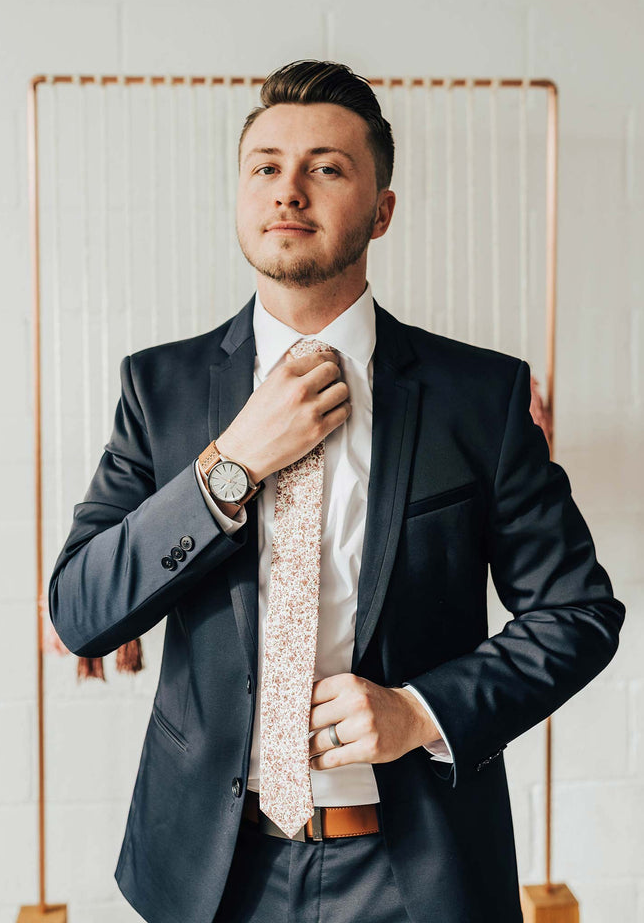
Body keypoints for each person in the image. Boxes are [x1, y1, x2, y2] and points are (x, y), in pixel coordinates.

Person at [48, 59, 625, 923]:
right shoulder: (158, 391)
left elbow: (579, 614)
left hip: (415, 875)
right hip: (208, 872)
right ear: (239, 197)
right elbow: (81, 609)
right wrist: (230, 464)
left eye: (325, 167)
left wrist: (419, 712)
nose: (289, 190)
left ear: (381, 210)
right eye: (265, 166)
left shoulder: (481, 396)